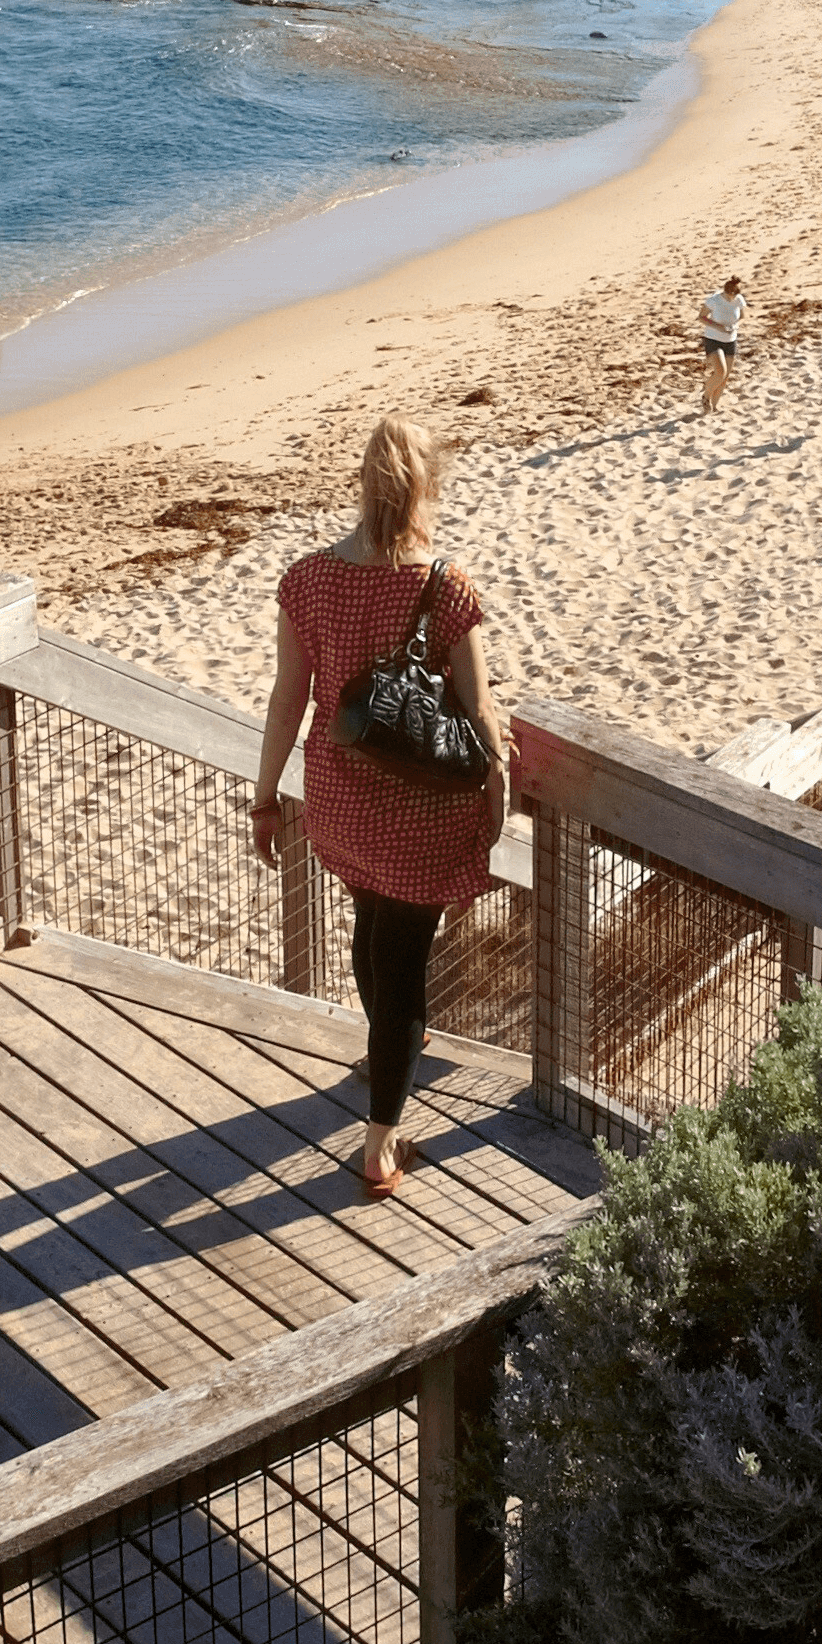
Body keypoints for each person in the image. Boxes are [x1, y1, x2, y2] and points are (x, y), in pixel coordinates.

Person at [245, 419, 512, 1198]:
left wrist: (265, 799)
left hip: (337, 801)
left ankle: (388, 1047)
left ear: (362, 485)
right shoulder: (446, 586)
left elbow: (286, 702)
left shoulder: (307, 581)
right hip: (419, 815)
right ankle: (378, 1146)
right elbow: (478, 704)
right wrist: (497, 784)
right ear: (427, 489)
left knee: (372, 928)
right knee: (401, 966)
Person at [692, 275, 747, 412]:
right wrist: (717, 326)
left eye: (735, 295)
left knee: (725, 377)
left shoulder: (739, 299)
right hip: (713, 339)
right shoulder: (714, 300)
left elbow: (743, 317)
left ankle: (714, 406)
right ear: (727, 291)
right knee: (720, 372)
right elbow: (701, 317)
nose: (732, 298)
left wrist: (736, 326)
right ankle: (706, 397)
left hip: (730, 341)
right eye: (730, 295)